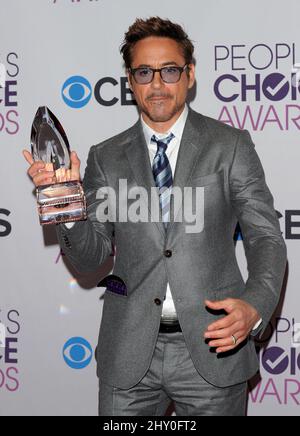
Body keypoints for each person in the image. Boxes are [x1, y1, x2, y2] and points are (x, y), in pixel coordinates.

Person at [23, 17, 287, 416]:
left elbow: (266, 237)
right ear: (130, 80)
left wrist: (256, 304)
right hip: (128, 355)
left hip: (214, 351)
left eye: (170, 70)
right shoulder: (105, 156)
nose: (158, 84)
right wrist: (66, 203)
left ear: (189, 74)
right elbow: (92, 259)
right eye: (145, 72)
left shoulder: (230, 146)